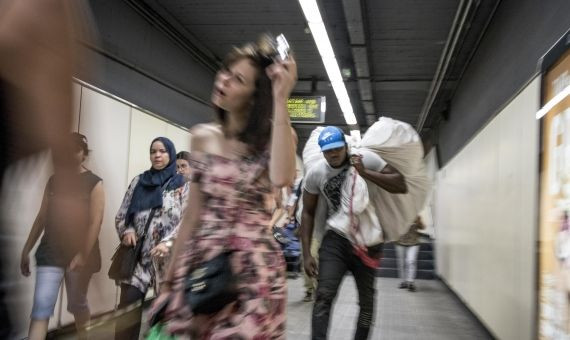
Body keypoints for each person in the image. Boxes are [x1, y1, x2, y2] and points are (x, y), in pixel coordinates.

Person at [150, 36, 297, 339]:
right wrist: (167, 282)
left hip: (252, 269)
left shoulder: (276, 137)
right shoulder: (201, 136)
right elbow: (191, 214)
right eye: (226, 71)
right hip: (203, 262)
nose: (224, 80)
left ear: (254, 97)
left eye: (238, 79)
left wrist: (281, 98)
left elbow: (282, 178)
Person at [300, 126, 407, 340]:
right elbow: (308, 213)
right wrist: (306, 254)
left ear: (345, 146)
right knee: (323, 296)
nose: (334, 154)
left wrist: (366, 173)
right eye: (328, 151)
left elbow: (400, 184)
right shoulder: (316, 173)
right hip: (336, 239)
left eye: (338, 149)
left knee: (367, 302)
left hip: (369, 240)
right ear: (322, 152)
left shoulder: (366, 159)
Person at [19, 133, 104, 340]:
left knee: (77, 304)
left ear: (83, 154)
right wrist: (26, 249)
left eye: (76, 149)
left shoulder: (95, 183)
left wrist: (83, 255)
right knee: (41, 306)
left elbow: (96, 221)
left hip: (79, 255)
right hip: (50, 252)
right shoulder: (54, 180)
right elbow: (41, 218)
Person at [114, 137, 189, 340]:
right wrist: (127, 230)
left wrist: (168, 242)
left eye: (162, 151)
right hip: (138, 258)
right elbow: (122, 214)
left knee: (164, 317)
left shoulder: (182, 186)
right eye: (153, 151)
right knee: (126, 312)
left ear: (170, 154)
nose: (157, 155)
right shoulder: (139, 181)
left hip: (167, 261)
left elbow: (188, 221)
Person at [395, 216, 425, 292]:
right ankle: (404, 281)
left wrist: (418, 222)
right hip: (400, 242)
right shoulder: (399, 215)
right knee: (402, 263)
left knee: (411, 261)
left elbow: (423, 227)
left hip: (414, 243)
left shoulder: (416, 215)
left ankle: (411, 282)